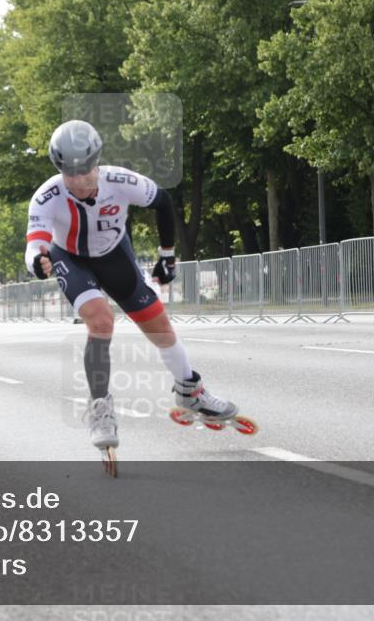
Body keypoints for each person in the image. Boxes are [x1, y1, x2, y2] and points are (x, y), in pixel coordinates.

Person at [25, 120, 247, 456]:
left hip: (114, 255)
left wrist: (167, 255)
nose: (79, 180)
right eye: (69, 173)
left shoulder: (120, 181)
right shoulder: (47, 196)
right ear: (59, 169)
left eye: (85, 170)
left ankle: (190, 391)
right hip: (70, 258)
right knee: (100, 320)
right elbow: (34, 245)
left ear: (96, 162)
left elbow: (163, 202)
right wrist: (37, 263)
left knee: (159, 325)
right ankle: (100, 409)